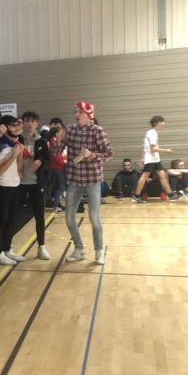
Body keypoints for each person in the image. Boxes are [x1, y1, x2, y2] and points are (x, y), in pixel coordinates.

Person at [51, 101, 113, 264]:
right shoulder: (70, 130)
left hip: (92, 179)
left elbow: (109, 154)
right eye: (75, 111)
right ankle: (79, 249)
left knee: (94, 217)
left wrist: (91, 155)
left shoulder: (97, 131)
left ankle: (99, 251)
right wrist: (58, 140)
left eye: (79, 111)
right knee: (69, 217)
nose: (76, 114)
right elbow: (56, 153)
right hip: (73, 179)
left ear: (88, 114)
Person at [0, 115, 25, 266]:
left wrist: (20, 154)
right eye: (13, 126)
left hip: (15, 185)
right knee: (1, 220)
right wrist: (13, 155)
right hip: (2, 186)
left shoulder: (16, 143)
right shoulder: (1, 146)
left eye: (18, 125)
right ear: (4, 128)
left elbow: (19, 168)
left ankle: (7, 249)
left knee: (12, 219)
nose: (17, 128)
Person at [20, 111, 51, 259]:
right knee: (13, 215)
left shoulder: (42, 141)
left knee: (40, 216)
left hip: (36, 183)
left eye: (33, 121)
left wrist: (41, 162)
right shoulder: (17, 139)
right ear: (22, 122)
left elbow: (47, 160)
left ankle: (41, 246)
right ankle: (7, 248)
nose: (29, 124)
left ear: (37, 123)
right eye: (27, 121)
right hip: (18, 183)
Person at [131, 116, 180, 202]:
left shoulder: (153, 133)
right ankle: (136, 195)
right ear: (155, 123)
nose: (163, 123)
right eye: (161, 122)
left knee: (162, 175)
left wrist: (142, 158)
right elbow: (152, 149)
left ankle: (171, 194)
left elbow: (145, 147)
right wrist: (166, 150)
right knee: (144, 176)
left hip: (155, 159)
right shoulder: (152, 133)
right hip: (151, 159)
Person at [46, 120, 67, 211]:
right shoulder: (53, 141)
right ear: (56, 133)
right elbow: (56, 156)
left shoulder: (56, 141)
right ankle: (55, 204)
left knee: (59, 186)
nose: (63, 133)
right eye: (61, 132)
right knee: (61, 187)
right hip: (57, 167)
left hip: (59, 167)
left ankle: (57, 203)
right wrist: (65, 165)